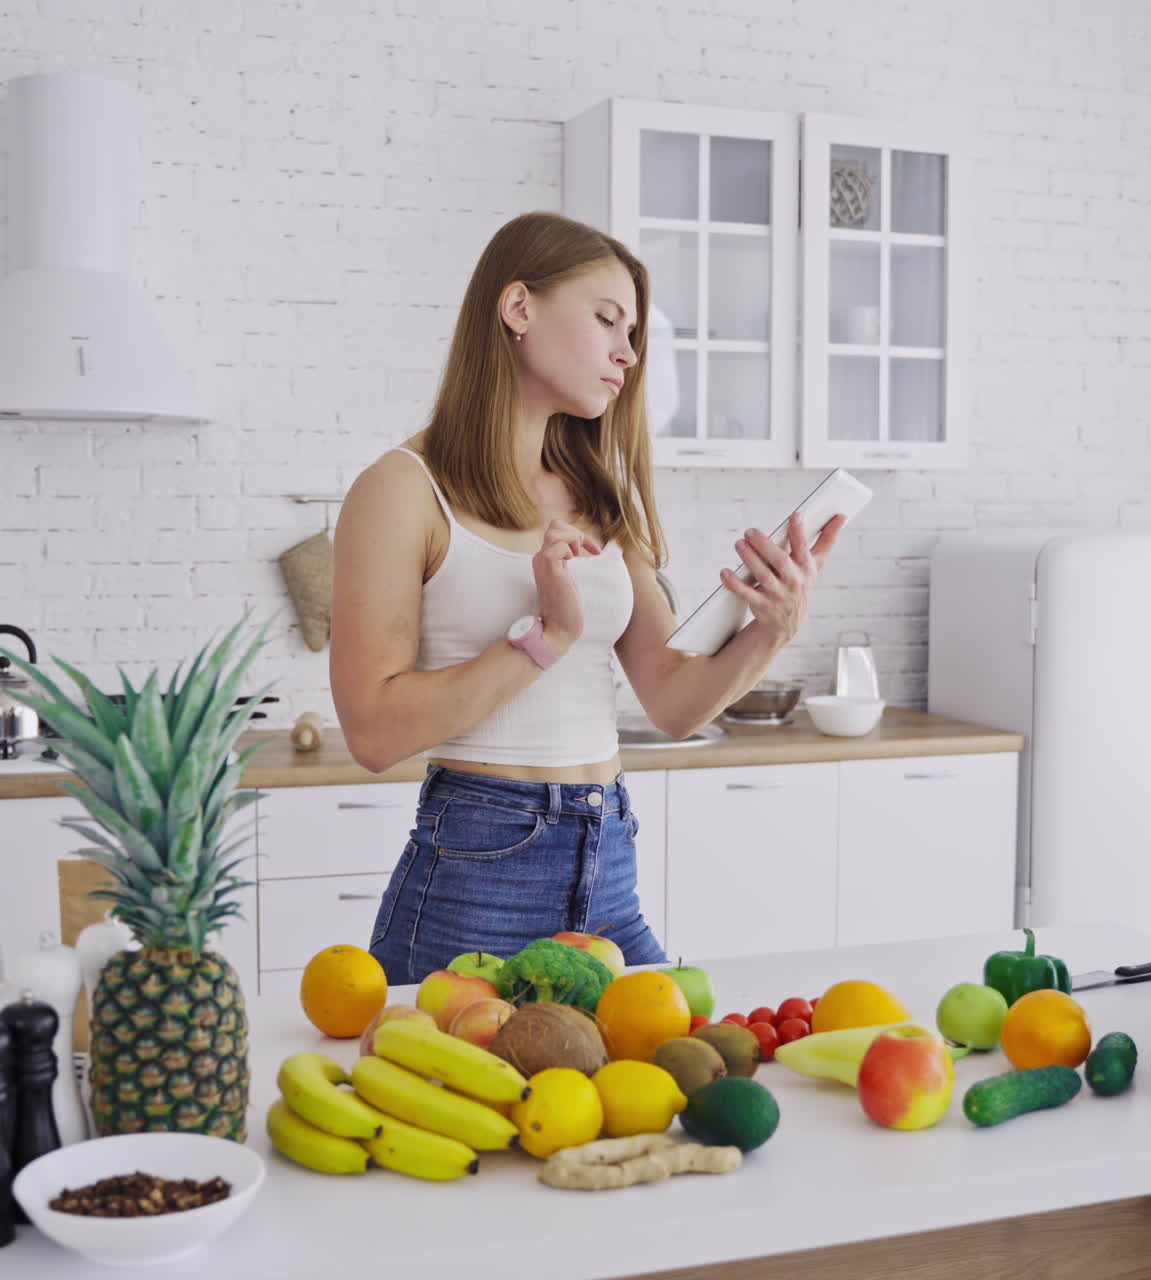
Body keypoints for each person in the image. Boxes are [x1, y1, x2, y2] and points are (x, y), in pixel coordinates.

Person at [330, 210, 847, 985]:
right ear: (518, 308)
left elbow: (673, 701)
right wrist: (543, 639)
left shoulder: (598, 497)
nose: (628, 354)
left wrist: (772, 628)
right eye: (608, 320)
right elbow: (372, 732)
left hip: (607, 864)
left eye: (633, 333)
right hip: (478, 875)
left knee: (682, 1083)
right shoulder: (402, 490)